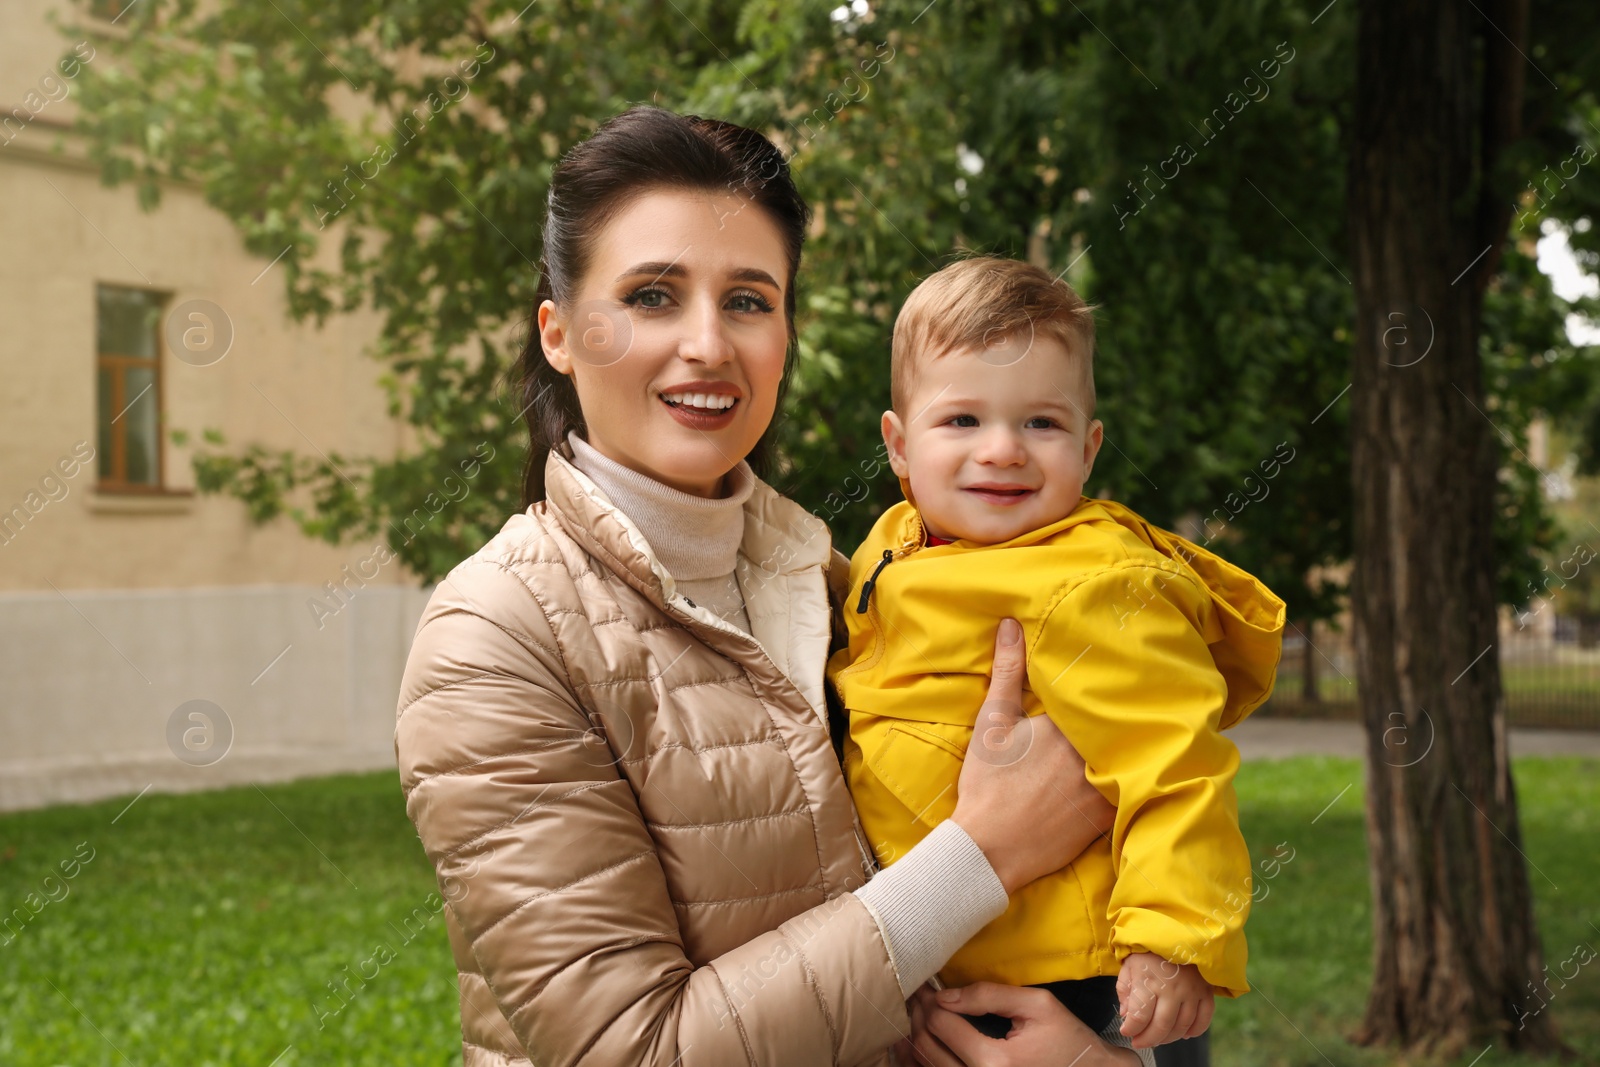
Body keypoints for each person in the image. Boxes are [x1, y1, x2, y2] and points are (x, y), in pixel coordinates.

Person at [393, 106, 1146, 1067]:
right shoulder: (495, 633)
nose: (708, 344)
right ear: (559, 332)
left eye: (749, 300)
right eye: (653, 296)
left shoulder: (844, 583)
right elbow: (630, 1052)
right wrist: (983, 854)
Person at [827, 257, 1286, 1057]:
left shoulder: (1095, 582)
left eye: (1040, 423)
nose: (1002, 450)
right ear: (898, 447)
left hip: (1079, 977)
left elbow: (1173, 762)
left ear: (1089, 446)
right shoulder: (890, 551)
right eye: (962, 421)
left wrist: (1173, 942)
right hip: (951, 942)